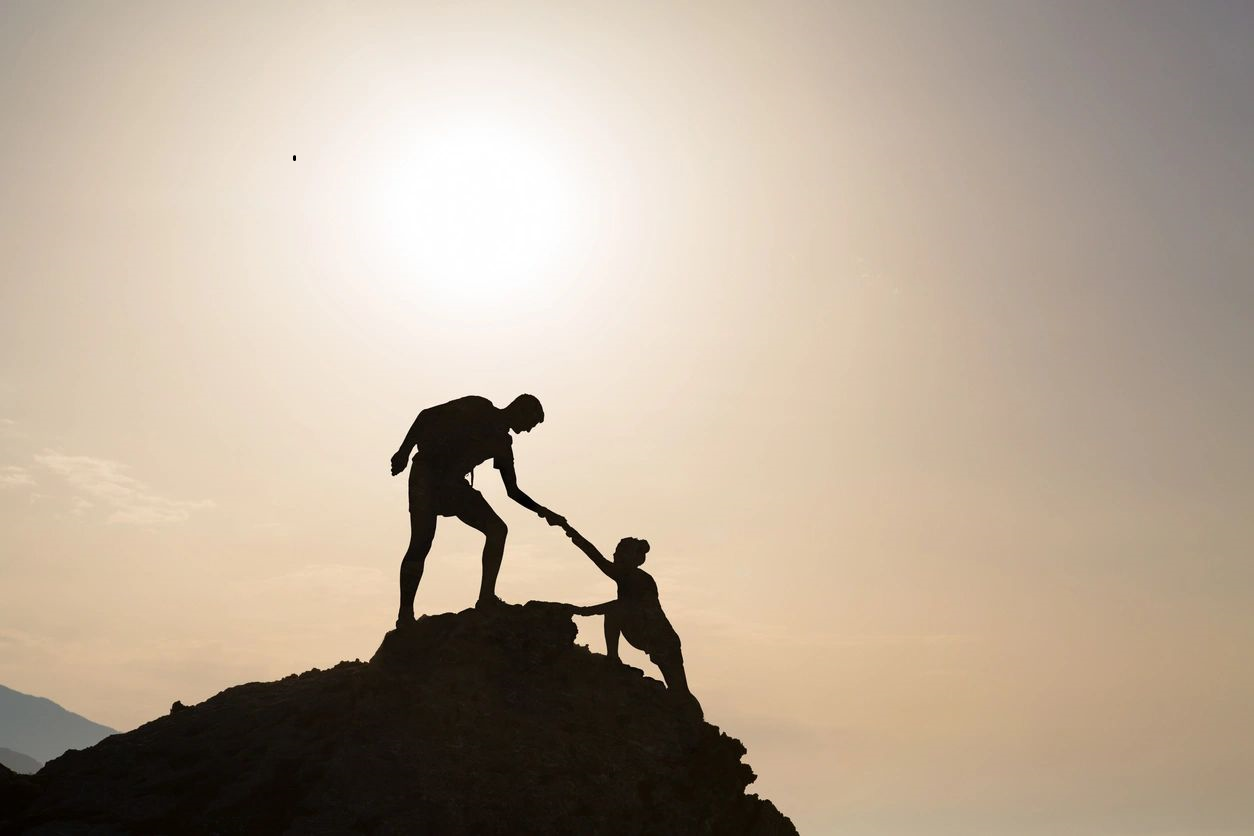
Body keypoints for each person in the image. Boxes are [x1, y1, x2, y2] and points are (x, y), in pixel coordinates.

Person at [390, 394, 564, 626]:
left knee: (497, 530)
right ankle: (405, 614)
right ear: (520, 410)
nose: (529, 431)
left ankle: (486, 598)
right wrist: (404, 451)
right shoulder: (478, 406)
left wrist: (543, 511)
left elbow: (512, 490)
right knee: (421, 542)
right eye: (531, 423)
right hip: (427, 475)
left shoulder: (502, 444)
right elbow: (426, 416)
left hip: (454, 485)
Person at [560, 521, 701, 714]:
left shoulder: (638, 578)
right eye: (616, 551)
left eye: (620, 552)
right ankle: (613, 658)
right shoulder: (627, 575)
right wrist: (569, 531)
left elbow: (623, 606)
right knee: (678, 691)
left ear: (633, 558)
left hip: (661, 639)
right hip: (647, 632)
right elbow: (596, 556)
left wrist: (584, 610)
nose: (615, 555)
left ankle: (691, 719)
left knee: (679, 691)